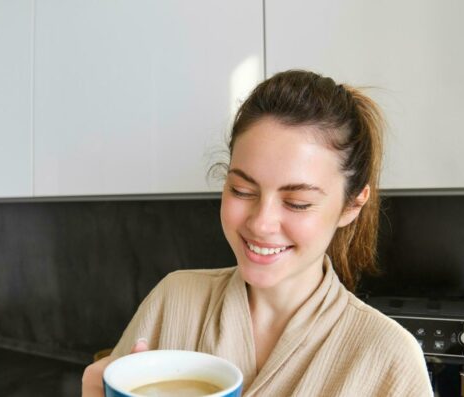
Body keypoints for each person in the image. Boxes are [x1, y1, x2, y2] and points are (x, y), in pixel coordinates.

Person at [82, 70, 431, 396]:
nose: (261, 223)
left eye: (296, 202)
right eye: (242, 191)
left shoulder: (389, 359)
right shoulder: (175, 299)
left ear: (351, 206)